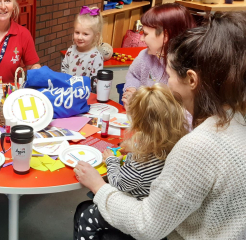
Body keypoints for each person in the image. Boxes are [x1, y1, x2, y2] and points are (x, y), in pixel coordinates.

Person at [74, 11, 246, 239]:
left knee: (85, 213)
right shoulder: (236, 119)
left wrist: (98, 186)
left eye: (169, 75)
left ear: (192, 80)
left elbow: (147, 225)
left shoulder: (198, 146)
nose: (167, 84)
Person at [75, 84, 189, 240]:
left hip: (134, 210)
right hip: (153, 208)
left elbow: (117, 183)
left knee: (85, 216)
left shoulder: (140, 164)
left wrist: (112, 161)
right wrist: (133, 150)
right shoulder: (169, 147)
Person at [121, 3, 196, 110]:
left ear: (165, 36)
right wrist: (131, 90)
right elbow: (134, 74)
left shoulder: (185, 71)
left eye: (145, 34)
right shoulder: (145, 56)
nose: (141, 39)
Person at [61, 6, 104, 93]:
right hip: (68, 91)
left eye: (85, 34)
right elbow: (64, 69)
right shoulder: (70, 50)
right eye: (77, 32)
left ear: (96, 35)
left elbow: (95, 81)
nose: (80, 37)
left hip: (86, 96)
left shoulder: (96, 56)